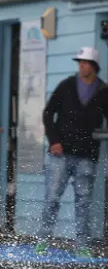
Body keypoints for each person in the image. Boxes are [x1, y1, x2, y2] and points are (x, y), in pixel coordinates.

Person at [37, 47, 108, 257]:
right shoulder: (66, 85)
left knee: (83, 202)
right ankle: (43, 241)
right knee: (52, 197)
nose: (81, 66)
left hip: (87, 155)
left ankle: (82, 245)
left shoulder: (103, 91)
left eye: (85, 63)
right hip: (60, 153)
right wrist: (54, 141)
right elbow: (48, 113)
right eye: (80, 62)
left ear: (94, 66)